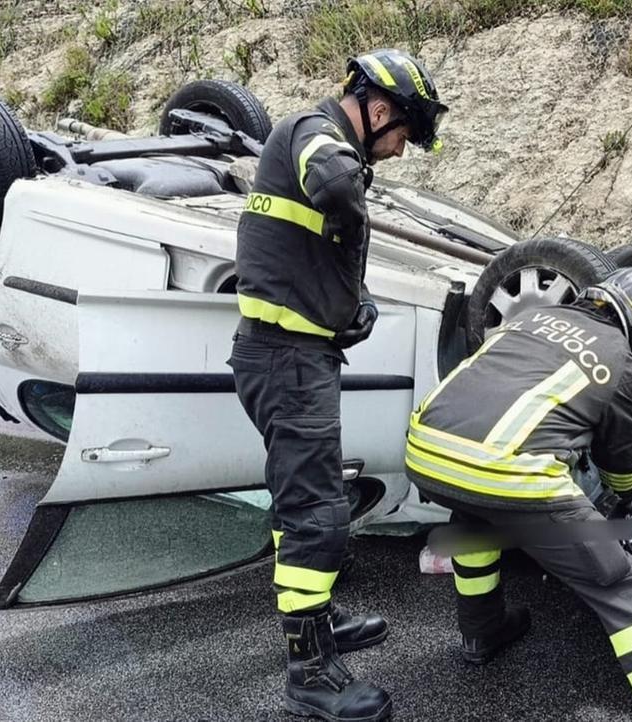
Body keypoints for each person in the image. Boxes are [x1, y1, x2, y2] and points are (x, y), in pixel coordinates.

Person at [227, 48, 448, 722]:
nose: (400, 152)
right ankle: (309, 675)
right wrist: (358, 203)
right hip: (285, 361)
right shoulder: (313, 133)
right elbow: (331, 185)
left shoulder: (320, 141)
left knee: (299, 500)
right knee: (319, 515)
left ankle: (315, 619)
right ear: (378, 109)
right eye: (402, 135)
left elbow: (313, 240)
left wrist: (356, 302)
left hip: (295, 356)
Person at [405, 268, 632, 721]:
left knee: (477, 522)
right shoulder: (619, 357)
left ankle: (482, 633)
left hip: (426, 450)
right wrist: (623, 502)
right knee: (620, 583)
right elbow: (624, 460)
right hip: (509, 471)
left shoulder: (530, 320)